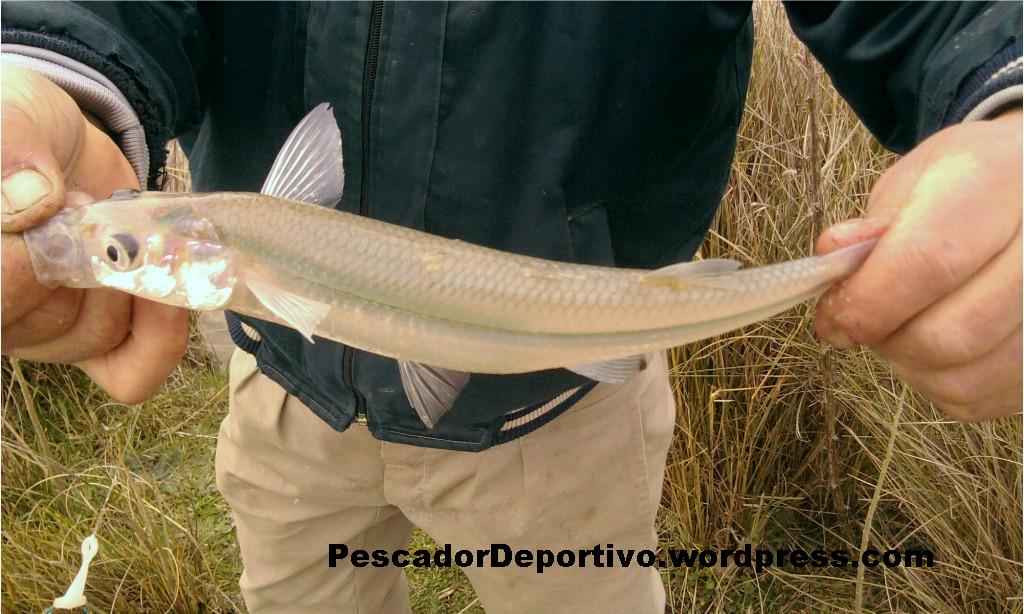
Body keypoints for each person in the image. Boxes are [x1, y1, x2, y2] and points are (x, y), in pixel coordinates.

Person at [2, 3, 1020, 612]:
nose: (102, 260)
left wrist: (1006, 96)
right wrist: (52, 66)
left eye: (123, 252)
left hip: (562, 425)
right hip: (286, 393)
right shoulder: (253, 260)